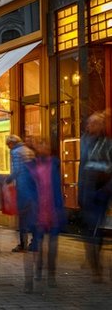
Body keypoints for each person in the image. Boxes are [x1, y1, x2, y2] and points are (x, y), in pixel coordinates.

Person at [23, 140, 66, 292]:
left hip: (53, 208)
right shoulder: (31, 166)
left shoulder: (54, 164)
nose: (44, 148)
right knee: (39, 243)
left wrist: (61, 208)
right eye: (41, 145)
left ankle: (52, 274)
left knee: (53, 245)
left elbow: (58, 187)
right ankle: (38, 269)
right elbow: (28, 187)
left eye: (46, 145)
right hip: (38, 209)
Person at [79, 111, 111, 282]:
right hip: (87, 191)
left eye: (95, 123)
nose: (91, 126)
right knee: (89, 230)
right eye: (90, 123)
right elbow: (82, 168)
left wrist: (107, 190)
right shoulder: (85, 143)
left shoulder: (108, 144)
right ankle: (94, 264)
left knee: (95, 230)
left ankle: (96, 267)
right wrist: (80, 191)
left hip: (101, 193)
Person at [6, 134, 35, 252]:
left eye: (8, 145)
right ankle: (35, 243)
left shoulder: (15, 152)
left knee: (22, 217)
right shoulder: (29, 151)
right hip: (33, 186)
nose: (8, 148)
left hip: (23, 187)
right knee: (32, 215)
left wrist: (9, 179)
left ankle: (23, 244)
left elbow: (16, 169)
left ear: (12, 143)